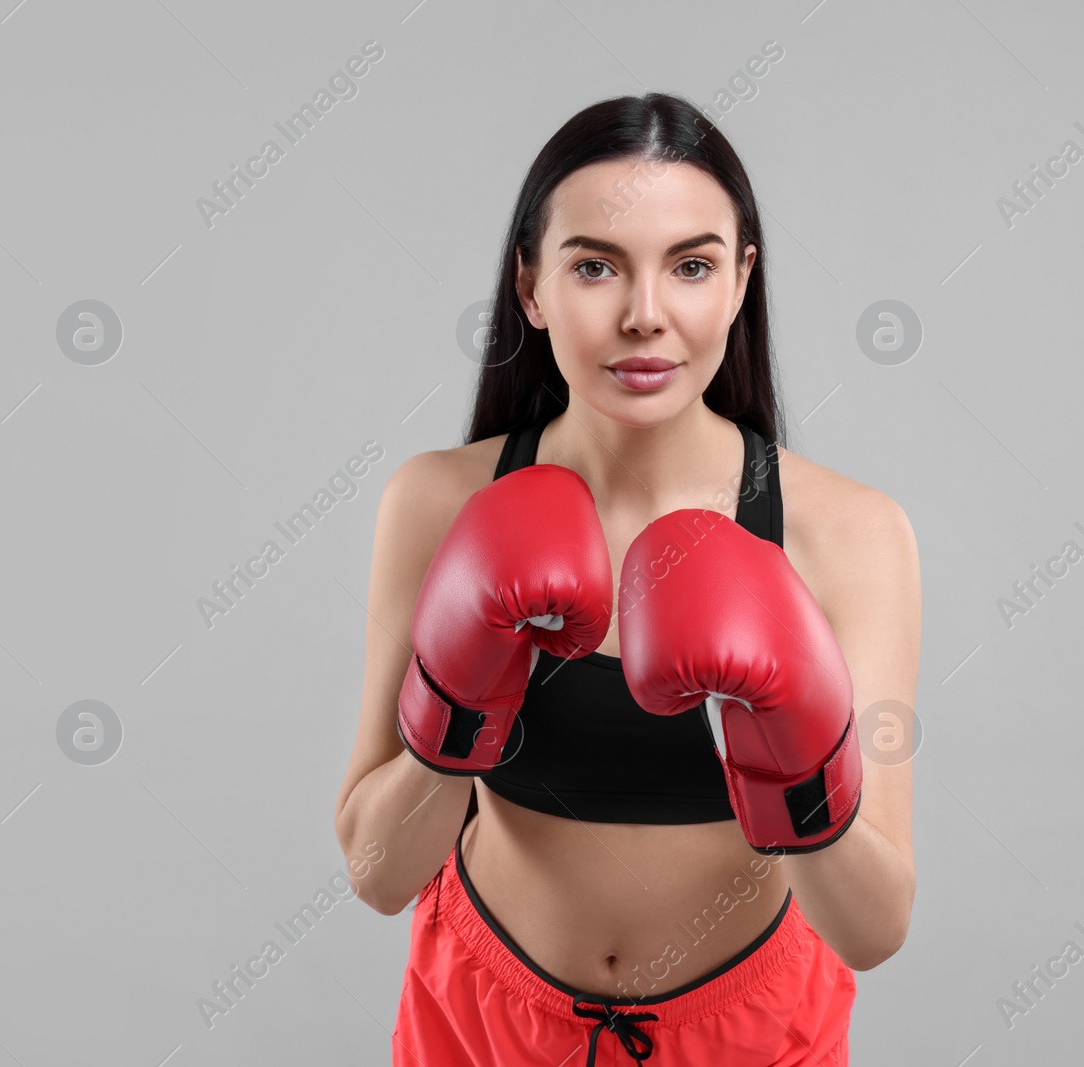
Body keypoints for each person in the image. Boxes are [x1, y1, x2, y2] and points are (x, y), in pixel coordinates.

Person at [333, 93, 919, 1066]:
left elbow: (874, 925)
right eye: (596, 265)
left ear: (738, 283)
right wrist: (455, 710)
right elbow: (377, 870)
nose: (644, 314)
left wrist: (798, 760)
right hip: (480, 1020)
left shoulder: (847, 531)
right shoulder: (440, 501)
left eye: (689, 265)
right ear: (529, 286)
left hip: (751, 1031)